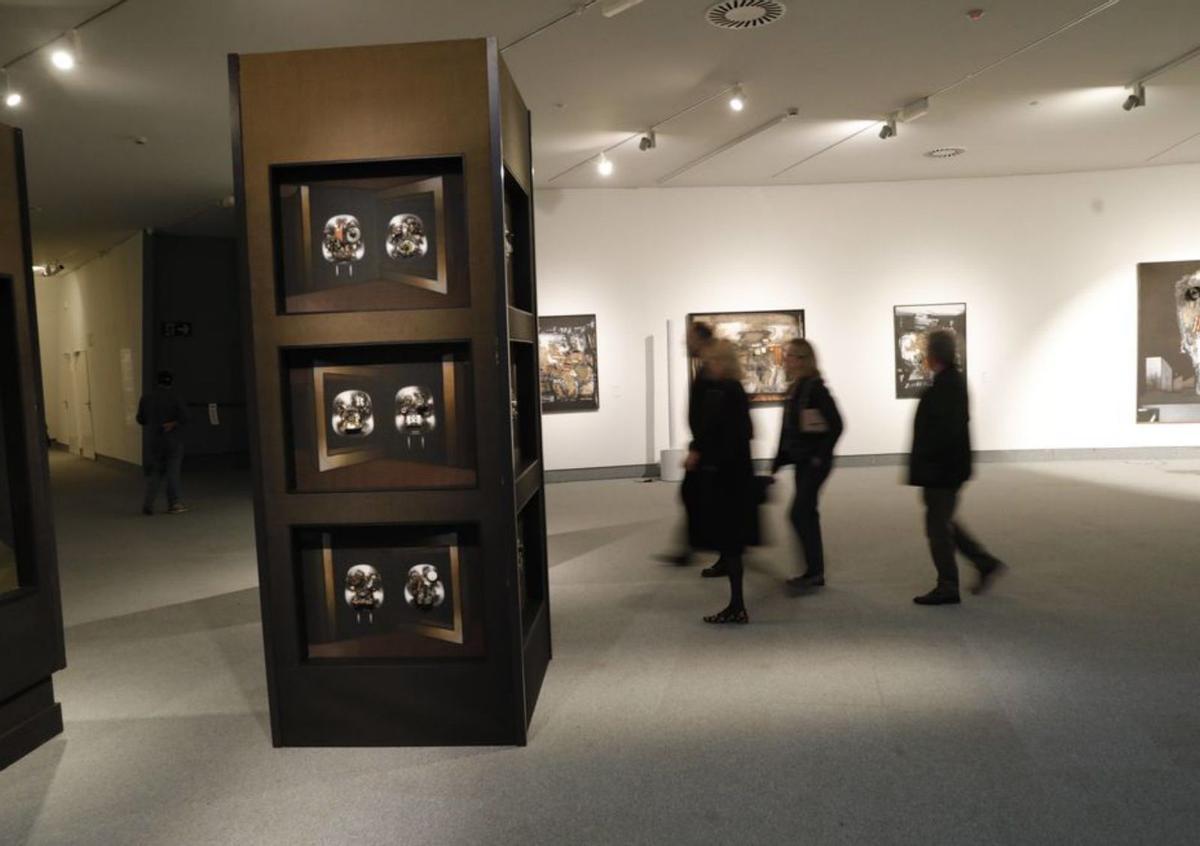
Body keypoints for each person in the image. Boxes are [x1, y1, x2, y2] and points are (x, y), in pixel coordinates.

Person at [907, 329, 1005, 605]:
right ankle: (984, 562)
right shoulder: (950, 382)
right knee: (944, 522)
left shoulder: (946, 386)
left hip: (942, 472)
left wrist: (929, 470)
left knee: (937, 528)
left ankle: (948, 586)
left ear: (933, 355)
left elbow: (944, 433)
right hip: (944, 470)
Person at [688, 340, 758, 624]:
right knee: (731, 543)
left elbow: (727, 434)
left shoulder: (728, 392)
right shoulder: (730, 390)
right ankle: (736, 604)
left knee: (731, 541)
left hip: (728, 478)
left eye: (713, 361)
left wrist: (704, 455)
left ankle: (737, 606)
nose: (709, 367)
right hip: (732, 475)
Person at [772, 338, 843, 593]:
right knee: (806, 512)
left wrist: (819, 455)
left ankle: (814, 572)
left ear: (803, 359)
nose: (786, 360)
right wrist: (778, 460)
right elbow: (789, 429)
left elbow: (837, 425)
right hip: (804, 461)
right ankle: (814, 572)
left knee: (800, 513)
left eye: (790, 356)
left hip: (815, 463)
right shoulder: (797, 388)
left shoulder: (815, 389)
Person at [658, 322, 717, 568]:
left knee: (699, 497)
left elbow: (711, 416)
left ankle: (707, 550)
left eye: (689, 338)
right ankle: (691, 548)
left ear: (701, 339)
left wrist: (697, 448)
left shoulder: (712, 370)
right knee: (693, 495)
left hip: (710, 449)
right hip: (705, 446)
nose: (685, 342)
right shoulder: (705, 367)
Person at [137, 370, 190, 515]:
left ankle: (148, 504)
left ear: (157, 382)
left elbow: (140, 419)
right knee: (173, 473)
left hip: (154, 440)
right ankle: (174, 503)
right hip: (173, 441)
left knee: (155, 473)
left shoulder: (146, 398)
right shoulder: (176, 397)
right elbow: (185, 417)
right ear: (171, 382)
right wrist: (173, 423)